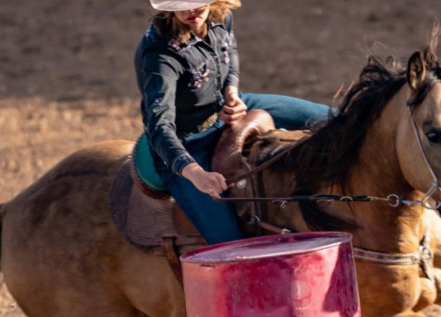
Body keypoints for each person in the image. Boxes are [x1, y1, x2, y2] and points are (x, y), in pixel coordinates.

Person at [136, 0, 330, 244]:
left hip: (227, 108)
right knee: (232, 247)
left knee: (335, 119)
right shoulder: (160, 54)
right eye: (180, 3)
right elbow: (159, 126)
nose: (190, 10)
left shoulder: (220, 17)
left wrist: (231, 91)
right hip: (188, 142)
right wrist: (195, 173)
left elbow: (230, 52)